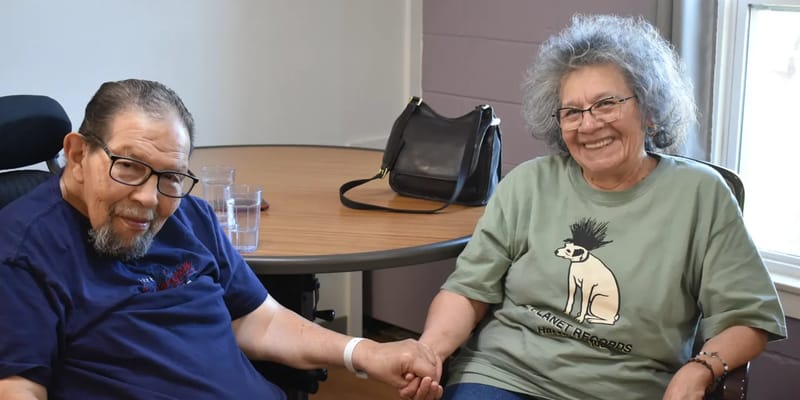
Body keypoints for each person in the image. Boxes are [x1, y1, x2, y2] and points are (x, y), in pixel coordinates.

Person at [415, 14, 787, 400]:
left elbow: (748, 318)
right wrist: (428, 352)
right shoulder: (527, 184)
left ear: (650, 110)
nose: (588, 125)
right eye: (572, 112)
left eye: (606, 104)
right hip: (504, 377)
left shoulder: (701, 196)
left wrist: (700, 368)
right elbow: (466, 290)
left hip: (625, 389)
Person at [0, 79, 444, 400]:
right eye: (129, 167)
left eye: (170, 176)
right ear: (78, 155)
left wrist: (363, 352)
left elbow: (260, 319)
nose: (149, 199)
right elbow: (18, 387)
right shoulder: (23, 254)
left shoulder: (189, 215)